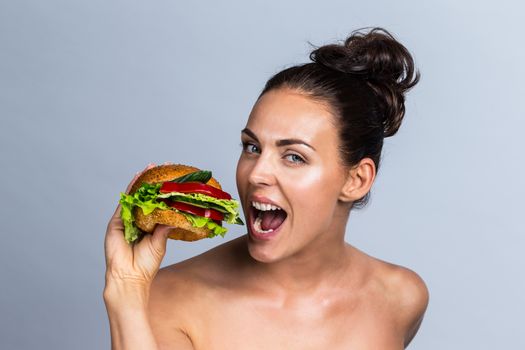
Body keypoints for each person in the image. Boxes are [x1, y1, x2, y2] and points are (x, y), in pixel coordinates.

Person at [104, 27, 429, 349]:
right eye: (252, 147)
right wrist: (126, 291)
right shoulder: (171, 300)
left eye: (294, 157)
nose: (257, 173)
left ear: (355, 180)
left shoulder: (401, 297)